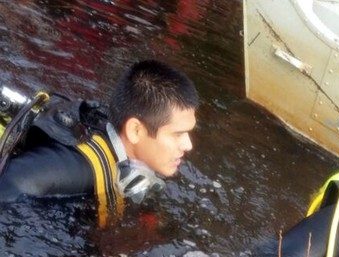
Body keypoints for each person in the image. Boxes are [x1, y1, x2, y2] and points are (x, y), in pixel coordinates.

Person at [0, 60, 199, 224]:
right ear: (136, 131)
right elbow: (12, 181)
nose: (188, 145)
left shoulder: (111, 122)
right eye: (178, 134)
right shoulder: (76, 170)